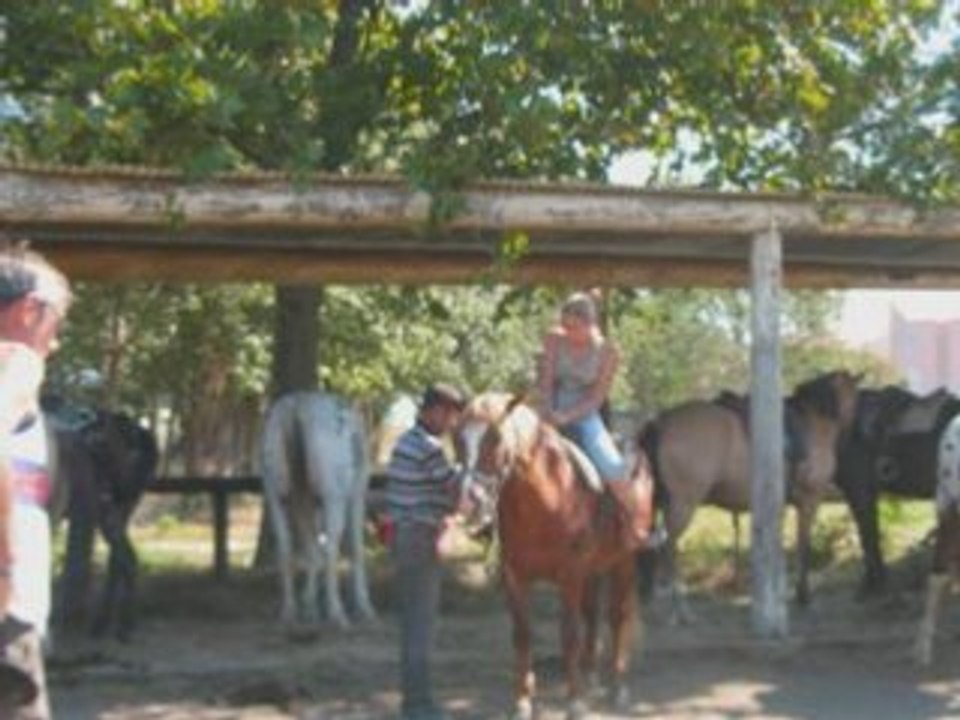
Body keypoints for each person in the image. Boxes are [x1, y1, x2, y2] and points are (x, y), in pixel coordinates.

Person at [0, 245, 71, 719]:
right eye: (57, 324)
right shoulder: (15, 363)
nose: (57, 341)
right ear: (29, 310)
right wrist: (4, 569)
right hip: (7, 618)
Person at [537, 291, 649, 547]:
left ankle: (633, 526)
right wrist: (547, 409)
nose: (567, 331)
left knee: (612, 466)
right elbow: (546, 378)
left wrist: (567, 416)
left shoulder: (609, 352)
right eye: (564, 325)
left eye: (572, 327)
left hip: (584, 410)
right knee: (511, 446)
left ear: (590, 324)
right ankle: (492, 522)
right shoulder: (555, 339)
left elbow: (597, 398)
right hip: (550, 401)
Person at [384, 383, 466, 720]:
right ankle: (417, 705)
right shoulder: (430, 448)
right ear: (433, 411)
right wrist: (466, 466)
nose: (450, 422)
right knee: (420, 624)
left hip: (404, 537)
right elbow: (455, 492)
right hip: (420, 537)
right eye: (448, 414)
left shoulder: (405, 442)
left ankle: (415, 698)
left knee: (412, 623)